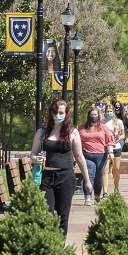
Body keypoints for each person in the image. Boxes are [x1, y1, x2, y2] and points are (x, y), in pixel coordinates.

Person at [29, 99, 92, 235]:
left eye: (61, 112)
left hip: (66, 178)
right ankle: (49, 245)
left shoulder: (72, 132)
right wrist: (36, 159)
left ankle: (60, 247)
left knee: (63, 216)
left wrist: (87, 180)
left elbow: (80, 157)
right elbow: (32, 154)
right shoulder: (42, 132)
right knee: (48, 214)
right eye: (55, 112)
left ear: (66, 114)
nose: (58, 115)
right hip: (47, 178)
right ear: (51, 113)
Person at [77, 106, 115, 205]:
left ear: (98, 116)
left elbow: (109, 141)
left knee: (99, 177)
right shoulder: (81, 128)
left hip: (101, 155)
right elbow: (76, 142)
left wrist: (111, 153)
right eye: (92, 115)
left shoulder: (104, 128)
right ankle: (88, 197)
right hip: (87, 154)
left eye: (95, 115)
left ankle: (97, 195)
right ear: (88, 116)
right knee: (89, 175)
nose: (93, 116)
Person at [102, 106, 127, 195]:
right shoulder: (102, 122)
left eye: (111, 111)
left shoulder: (118, 122)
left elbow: (123, 135)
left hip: (116, 147)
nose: (109, 113)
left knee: (116, 169)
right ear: (105, 112)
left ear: (114, 112)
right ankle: (104, 191)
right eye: (107, 111)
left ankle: (116, 188)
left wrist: (118, 137)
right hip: (105, 148)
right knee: (105, 170)